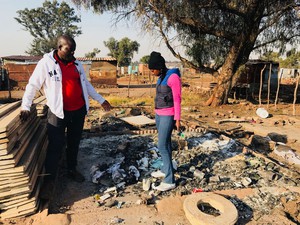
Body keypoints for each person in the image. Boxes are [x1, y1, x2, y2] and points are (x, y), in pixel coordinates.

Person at [20, 34, 111, 197]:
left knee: (74, 143)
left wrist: (101, 100)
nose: (72, 53)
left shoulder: (77, 64)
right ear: (59, 47)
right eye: (69, 50)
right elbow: (33, 85)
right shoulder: (46, 63)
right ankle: (49, 181)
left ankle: (71, 169)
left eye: (74, 50)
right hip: (57, 112)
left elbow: (86, 84)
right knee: (55, 146)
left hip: (78, 111)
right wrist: (25, 106)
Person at [148, 51, 181, 191]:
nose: (152, 72)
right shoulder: (160, 77)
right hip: (159, 114)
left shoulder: (173, 77)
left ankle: (169, 180)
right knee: (166, 143)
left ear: (160, 67)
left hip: (168, 115)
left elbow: (177, 99)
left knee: (161, 145)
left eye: (153, 69)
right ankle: (165, 167)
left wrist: (177, 119)